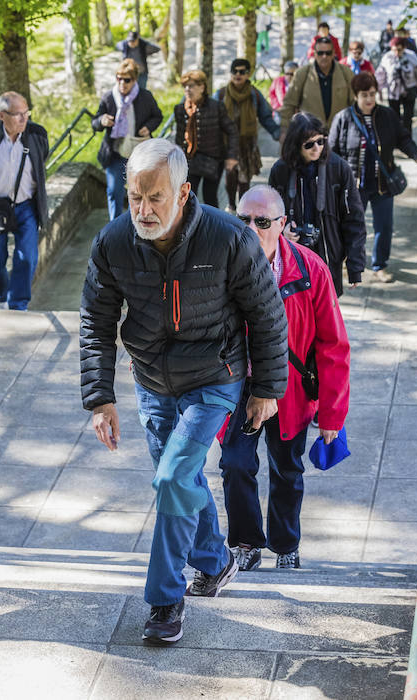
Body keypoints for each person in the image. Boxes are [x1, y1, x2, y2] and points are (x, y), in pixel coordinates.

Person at [80, 139, 288, 645]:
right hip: (151, 382)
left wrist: (267, 388)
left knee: (173, 477)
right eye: (135, 197)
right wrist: (99, 395)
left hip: (215, 380)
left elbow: (267, 315)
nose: (143, 210)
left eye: (155, 197)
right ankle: (216, 563)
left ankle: (164, 601)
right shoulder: (112, 243)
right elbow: (96, 319)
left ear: (184, 192)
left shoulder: (228, 238)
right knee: (181, 482)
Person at [220, 184, 350, 571]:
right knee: (235, 465)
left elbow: (333, 345)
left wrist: (332, 414)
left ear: (282, 224)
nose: (251, 228)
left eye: (261, 221)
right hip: (238, 388)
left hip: (291, 391)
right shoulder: (221, 266)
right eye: (242, 220)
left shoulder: (311, 270)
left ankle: (285, 545)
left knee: (287, 470)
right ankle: (246, 542)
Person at [329, 72, 417, 283]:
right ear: (355, 95)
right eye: (364, 94)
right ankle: (351, 263)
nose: (369, 99)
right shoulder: (343, 118)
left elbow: (403, 138)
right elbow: (332, 153)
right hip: (354, 185)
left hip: (383, 184)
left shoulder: (387, 115)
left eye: (373, 94)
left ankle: (379, 265)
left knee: (384, 226)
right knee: (351, 226)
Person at [269, 112, 366, 297]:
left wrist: (355, 267)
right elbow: (268, 217)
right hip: (293, 259)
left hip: (328, 258)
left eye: (321, 141)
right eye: (309, 144)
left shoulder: (339, 168)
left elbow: (354, 219)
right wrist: (283, 231)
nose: (317, 148)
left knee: (325, 317)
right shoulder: (280, 170)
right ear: (296, 145)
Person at [0, 91, 49, 310]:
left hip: (26, 206)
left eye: (26, 113)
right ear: (1, 115)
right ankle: (2, 295)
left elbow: (42, 161)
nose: (24, 119)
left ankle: (18, 306)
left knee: (27, 257)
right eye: (17, 115)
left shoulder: (37, 135)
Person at [92, 59, 163, 220]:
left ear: (135, 80)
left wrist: (148, 127)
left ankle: (140, 223)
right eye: (118, 78)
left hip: (140, 154)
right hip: (115, 153)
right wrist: (102, 120)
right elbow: (94, 123)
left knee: (141, 191)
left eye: (127, 80)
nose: (122, 83)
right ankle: (115, 226)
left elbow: (157, 116)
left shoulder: (145, 97)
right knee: (114, 191)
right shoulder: (109, 97)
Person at [213, 58, 280, 213]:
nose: (238, 75)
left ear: (248, 74)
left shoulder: (254, 94)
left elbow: (265, 116)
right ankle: (231, 206)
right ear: (230, 74)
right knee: (231, 175)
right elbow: (211, 116)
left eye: (242, 72)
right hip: (227, 143)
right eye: (235, 71)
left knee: (245, 178)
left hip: (247, 144)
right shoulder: (221, 94)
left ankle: (243, 208)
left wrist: (277, 133)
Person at [173, 69, 238, 208]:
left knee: (210, 196)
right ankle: (190, 227)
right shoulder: (180, 109)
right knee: (189, 196)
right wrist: (176, 160)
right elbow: (179, 139)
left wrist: (231, 157)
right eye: (185, 86)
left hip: (214, 159)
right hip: (190, 159)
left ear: (202, 87)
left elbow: (232, 131)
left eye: (191, 86)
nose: (187, 89)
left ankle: (213, 227)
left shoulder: (216, 107)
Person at [279, 36, 353, 137]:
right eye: (320, 53)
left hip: (339, 135)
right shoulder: (302, 74)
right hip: (309, 136)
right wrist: (284, 131)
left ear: (333, 54)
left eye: (328, 53)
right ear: (314, 54)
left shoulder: (346, 73)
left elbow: (355, 104)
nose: (324, 56)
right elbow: (289, 104)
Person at [375, 37, 417, 136]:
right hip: (393, 92)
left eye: (399, 50)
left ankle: (407, 140)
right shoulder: (387, 58)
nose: (396, 52)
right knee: (394, 117)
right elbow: (381, 75)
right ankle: (396, 139)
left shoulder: (411, 56)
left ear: (404, 48)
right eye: (394, 49)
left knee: (408, 117)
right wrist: (379, 90)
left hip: (409, 90)